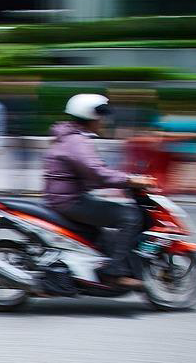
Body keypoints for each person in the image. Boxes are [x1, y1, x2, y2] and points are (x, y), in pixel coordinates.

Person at [43, 94, 156, 290]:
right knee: (130, 216)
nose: (104, 122)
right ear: (91, 116)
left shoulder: (73, 139)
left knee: (106, 228)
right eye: (101, 117)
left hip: (68, 197)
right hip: (70, 201)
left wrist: (124, 180)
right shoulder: (76, 142)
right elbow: (97, 173)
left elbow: (93, 172)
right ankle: (113, 272)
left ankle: (102, 265)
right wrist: (129, 180)